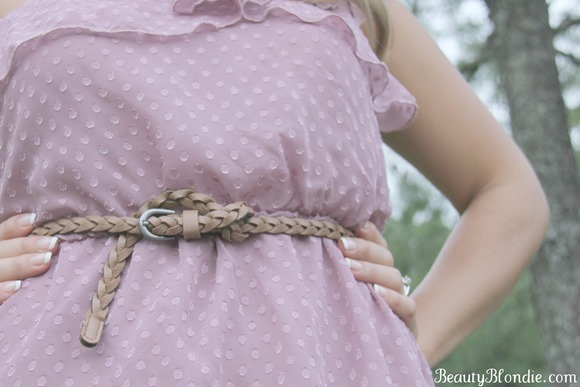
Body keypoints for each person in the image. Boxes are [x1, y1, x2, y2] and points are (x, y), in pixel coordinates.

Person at [0, 0, 549, 385]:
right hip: (51, 361)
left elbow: (507, 192)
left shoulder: (351, 6)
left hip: (328, 366)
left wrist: (405, 342)